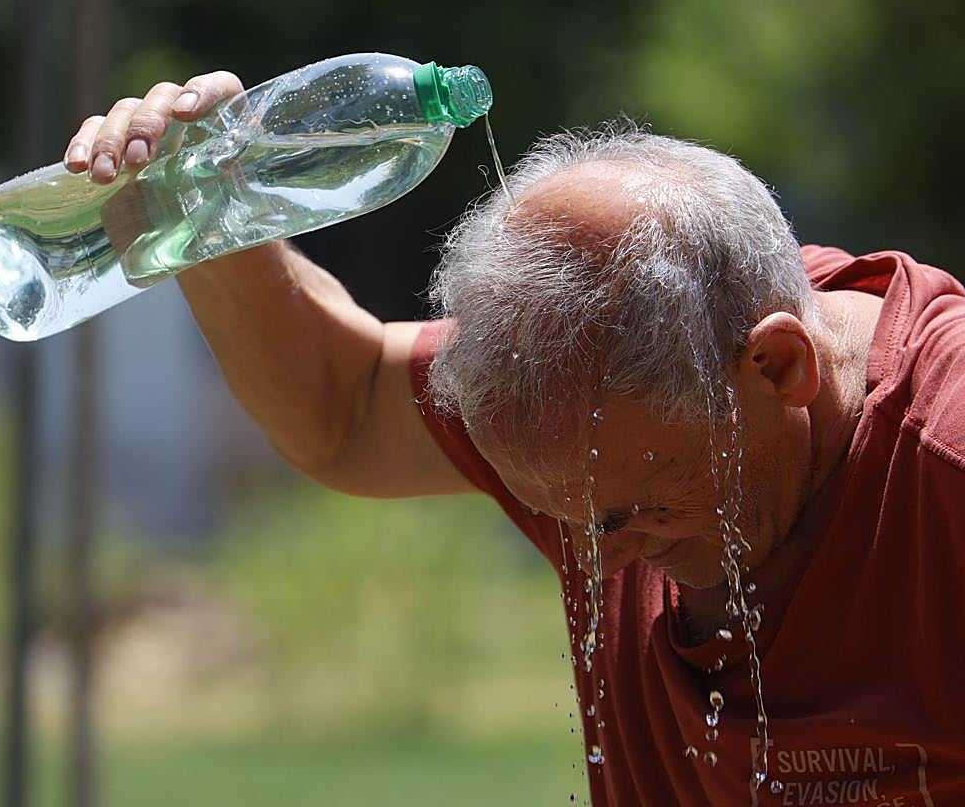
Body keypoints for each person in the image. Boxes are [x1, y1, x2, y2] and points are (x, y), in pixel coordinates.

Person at [64, 72, 965, 805]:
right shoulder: (594, 406)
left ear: (776, 369)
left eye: (635, 516)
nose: (607, 568)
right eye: (561, 517)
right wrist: (207, 220)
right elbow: (342, 412)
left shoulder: (943, 461)